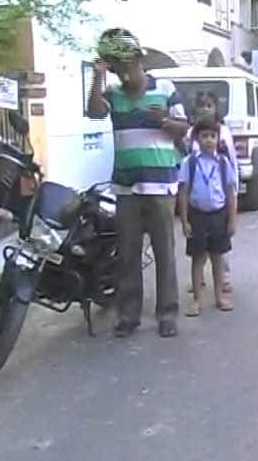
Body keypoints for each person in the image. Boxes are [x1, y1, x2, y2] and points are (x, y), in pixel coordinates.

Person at [88, 28, 189, 338]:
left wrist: (163, 121)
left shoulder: (166, 89)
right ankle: (128, 315)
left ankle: (167, 314)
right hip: (126, 187)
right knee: (128, 253)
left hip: (160, 187)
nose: (124, 73)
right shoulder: (113, 95)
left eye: (126, 65)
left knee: (164, 253)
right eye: (117, 67)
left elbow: (184, 129)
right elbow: (94, 112)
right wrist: (97, 77)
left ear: (139, 61)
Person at [179, 115, 238, 315]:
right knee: (197, 258)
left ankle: (220, 296)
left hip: (218, 216)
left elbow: (230, 193)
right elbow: (184, 192)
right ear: (196, 138)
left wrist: (232, 219)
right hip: (197, 216)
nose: (209, 140)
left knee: (217, 258)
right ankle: (196, 300)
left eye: (213, 136)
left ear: (218, 137)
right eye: (204, 136)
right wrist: (185, 221)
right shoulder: (189, 163)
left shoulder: (223, 163)